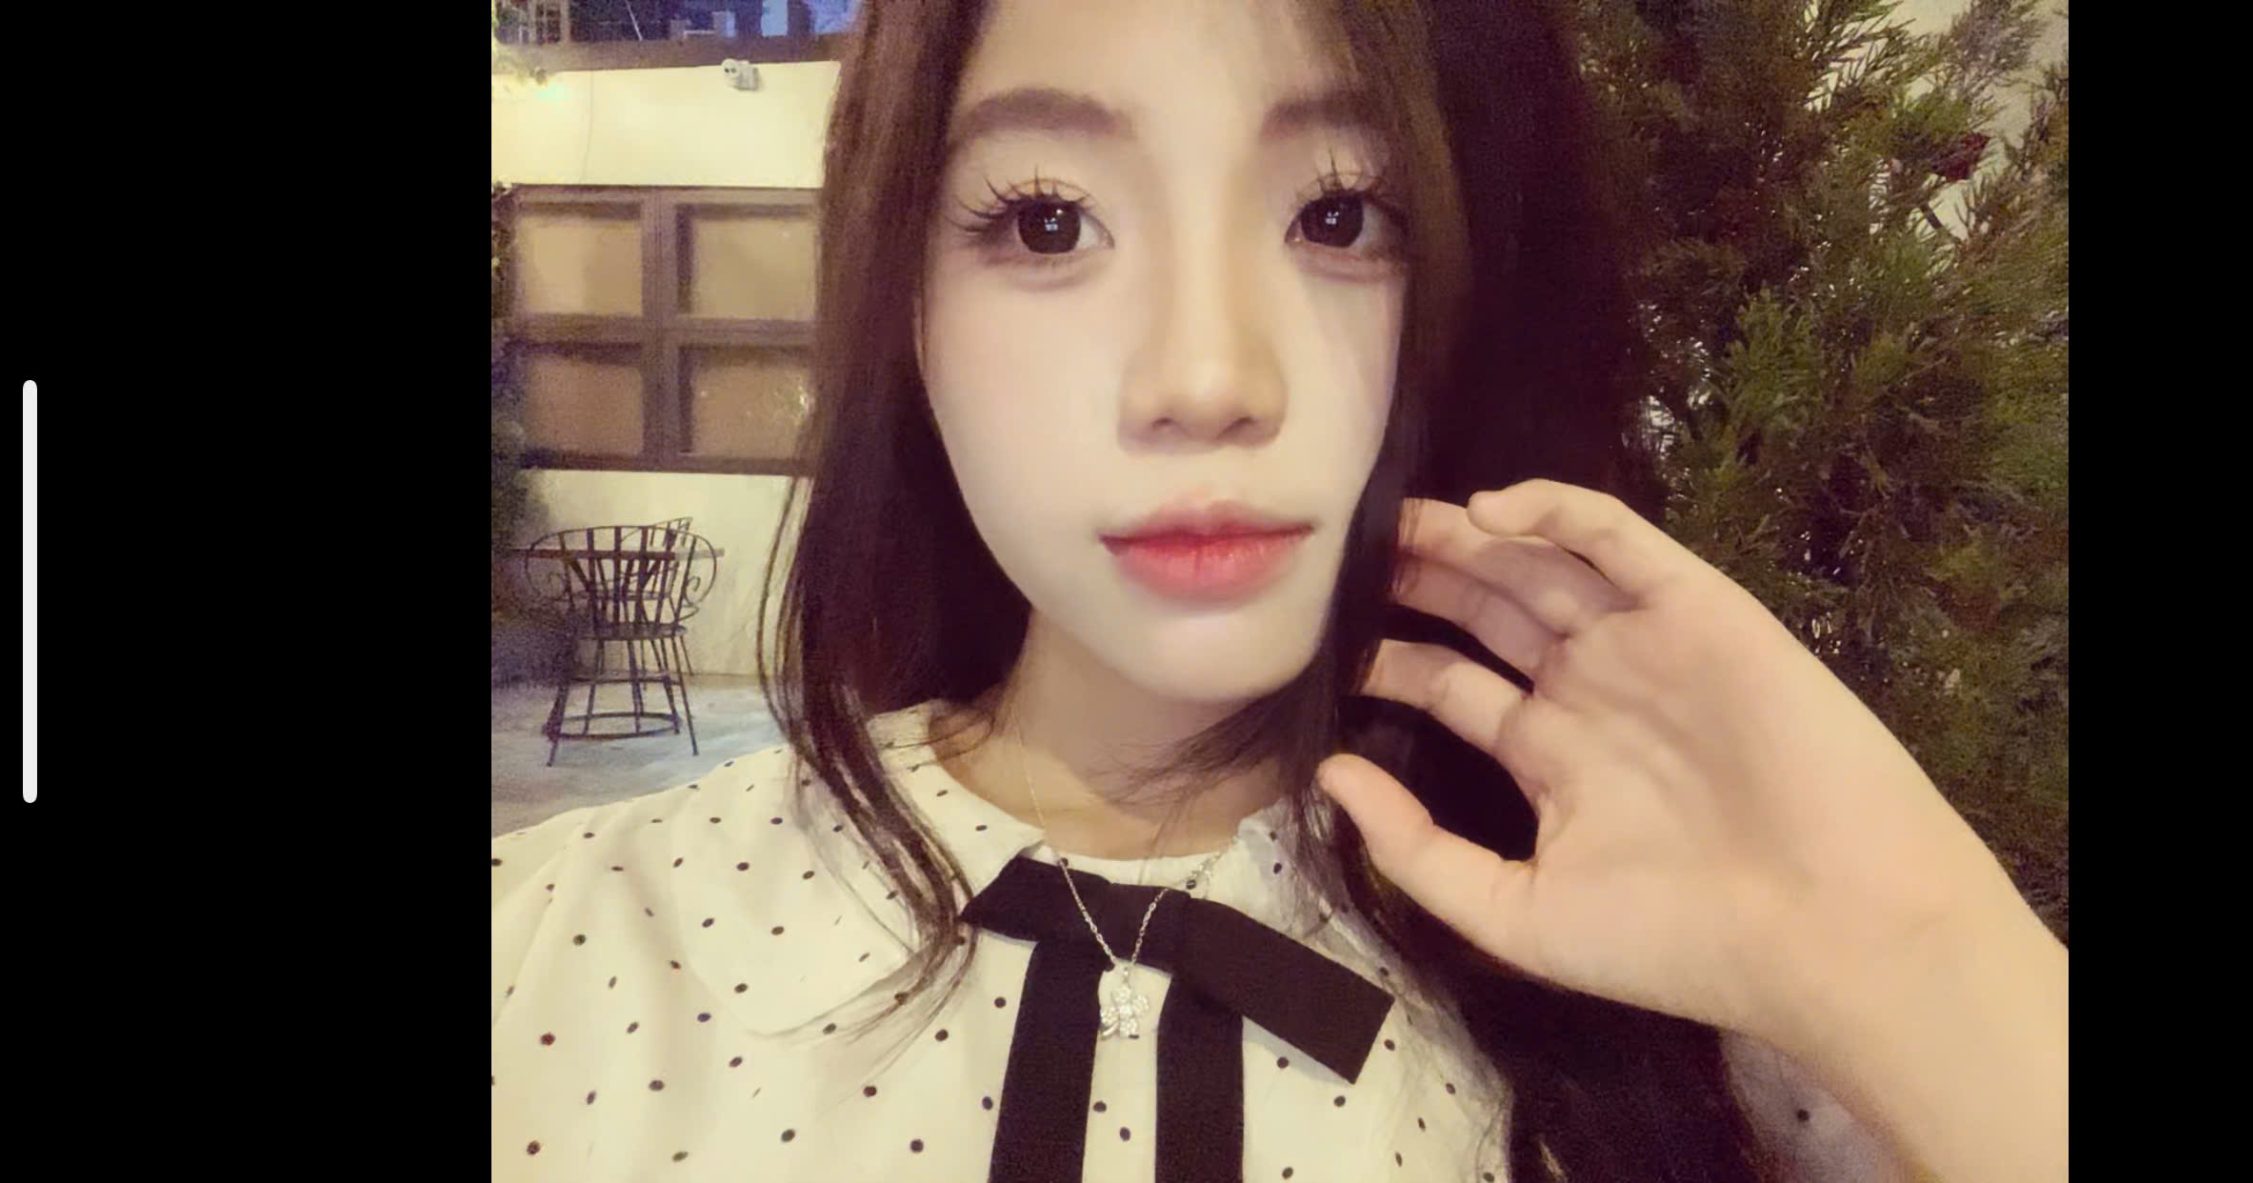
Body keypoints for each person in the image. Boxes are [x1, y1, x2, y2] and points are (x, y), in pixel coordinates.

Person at [489, 1, 2067, 1180]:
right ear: (903, 299)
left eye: (1338, 215)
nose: (1207, 381)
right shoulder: (563, 953)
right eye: (1048, 220)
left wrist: (1915, 945)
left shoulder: (1711, 980)